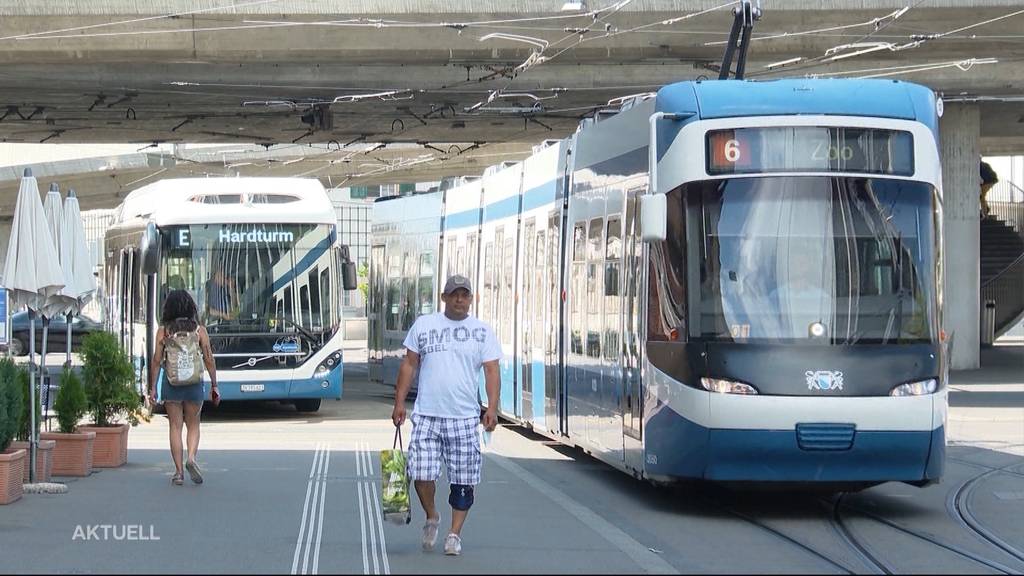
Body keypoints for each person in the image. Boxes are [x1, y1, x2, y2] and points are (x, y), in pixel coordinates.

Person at [391, 274, 501, 557]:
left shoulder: (482, 332)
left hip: (464, 417)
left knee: (463, 481)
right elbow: (409, 364)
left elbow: (491, 370)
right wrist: (399, 402)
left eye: (464, 295)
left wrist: (491, 407)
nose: (459, 299)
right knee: (421, 473)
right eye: (454, 294)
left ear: (471, 299)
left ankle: (454, 535)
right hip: (427, 414)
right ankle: (432, 516)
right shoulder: (425, 325)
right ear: (444, 298)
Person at [147, 290, 220, 486]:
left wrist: (152, 387)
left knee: (175, 426)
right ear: (191, 308)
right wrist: (214, 385)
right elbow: (209, 359)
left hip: (171, 383)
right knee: (194, 424)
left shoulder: (164, 331)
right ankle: (192, 459)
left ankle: (178, 472)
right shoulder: (199, 331)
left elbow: (156, 360)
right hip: (194, 384)